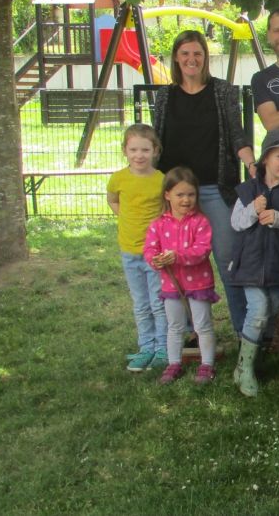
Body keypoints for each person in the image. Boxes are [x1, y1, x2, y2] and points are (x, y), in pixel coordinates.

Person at [152, 29, 255, 339]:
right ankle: (186, 332)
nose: (191, 59)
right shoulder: (165, 95)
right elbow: (156, 141)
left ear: (205, 58)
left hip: (214, 188)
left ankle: (243, 332)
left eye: (197, 53)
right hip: (176, 194)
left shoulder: (222, 91)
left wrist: (251, 163)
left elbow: (237, 134)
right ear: (176, 58)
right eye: (185, 54)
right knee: (178, 264)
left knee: (228, 259)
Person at [228, 129, 279, 397]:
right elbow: (236, 223)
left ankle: (250, 363)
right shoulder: (248, 189)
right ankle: (246, 368)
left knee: (272, 310)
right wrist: (253, 208)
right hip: (250, 263)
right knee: (259, 308)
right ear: (265, 159)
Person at [143, 167, 219, 385]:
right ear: (167, 195)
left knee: (202, 325)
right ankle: (174, 362)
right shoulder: (158, 224)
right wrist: (155, 259)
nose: (186, 200)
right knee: (175, 326)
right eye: (180, 195)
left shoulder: (200, 222)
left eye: (191, 194)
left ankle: (207, 365)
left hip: (199, 283)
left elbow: (202, 250)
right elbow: (150, 249)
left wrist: (176, 256)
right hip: (170, 285)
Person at [107, 124, 168, 372]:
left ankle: (163, 349)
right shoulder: (118, 178)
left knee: (158, 302)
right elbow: (112, 200)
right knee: (140, 303)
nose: (139, 155)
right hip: (128, 251)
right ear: (125, 150)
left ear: (155, 151)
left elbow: (165, 211)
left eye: (145, 149)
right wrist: (124, 217)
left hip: (154, 253)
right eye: (133, 149)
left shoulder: (160, 180)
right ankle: (146, 348)